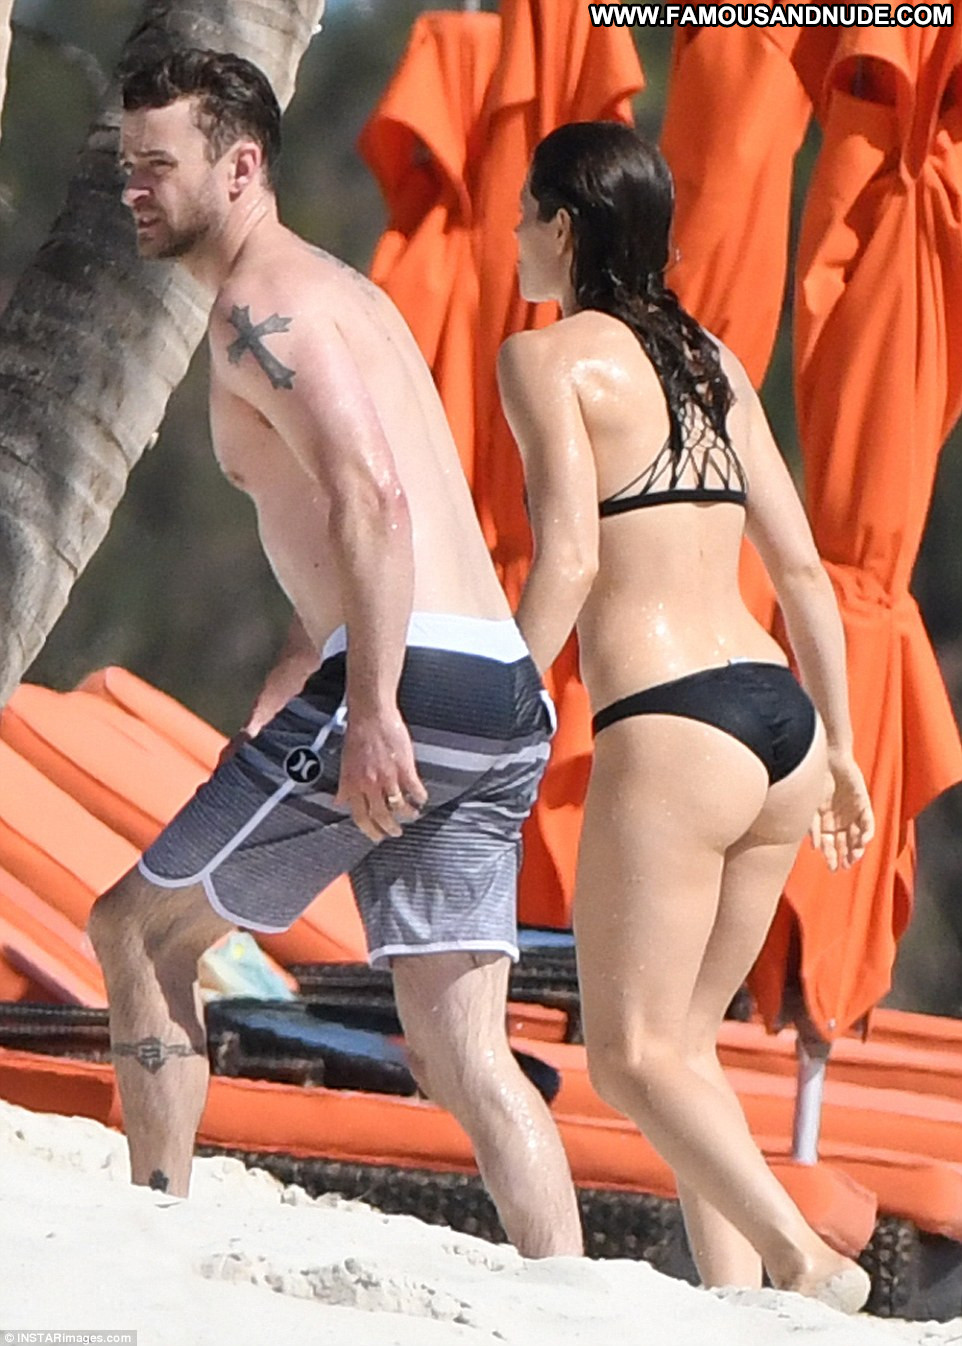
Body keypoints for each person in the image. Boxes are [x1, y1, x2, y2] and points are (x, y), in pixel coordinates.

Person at [87, 47, 583, 1260]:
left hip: (407, 678)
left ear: (240, 167)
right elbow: (337, 530)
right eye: (125, 162)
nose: (133, 187)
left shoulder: (261, 310)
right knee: (460, 1047)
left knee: (136, 932)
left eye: (158, 163)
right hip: (495, 687)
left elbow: (373, 500)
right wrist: (295, 684)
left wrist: (367, 706)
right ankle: (573, 1300)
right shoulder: (346, 293)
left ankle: (152, 1235)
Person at [497, 121, 875, 1308]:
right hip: (781, 723)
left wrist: (496, 704)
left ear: (563, 227)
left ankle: (802, 1257)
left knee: (627, 1053)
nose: (512, 233)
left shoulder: (546, 359)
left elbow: (566, 561)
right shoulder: (713, 359)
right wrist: (843, 747)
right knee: (686, 1046)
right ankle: (741, 1303)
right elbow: (801, 571)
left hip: (671, 722)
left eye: (523, 213)